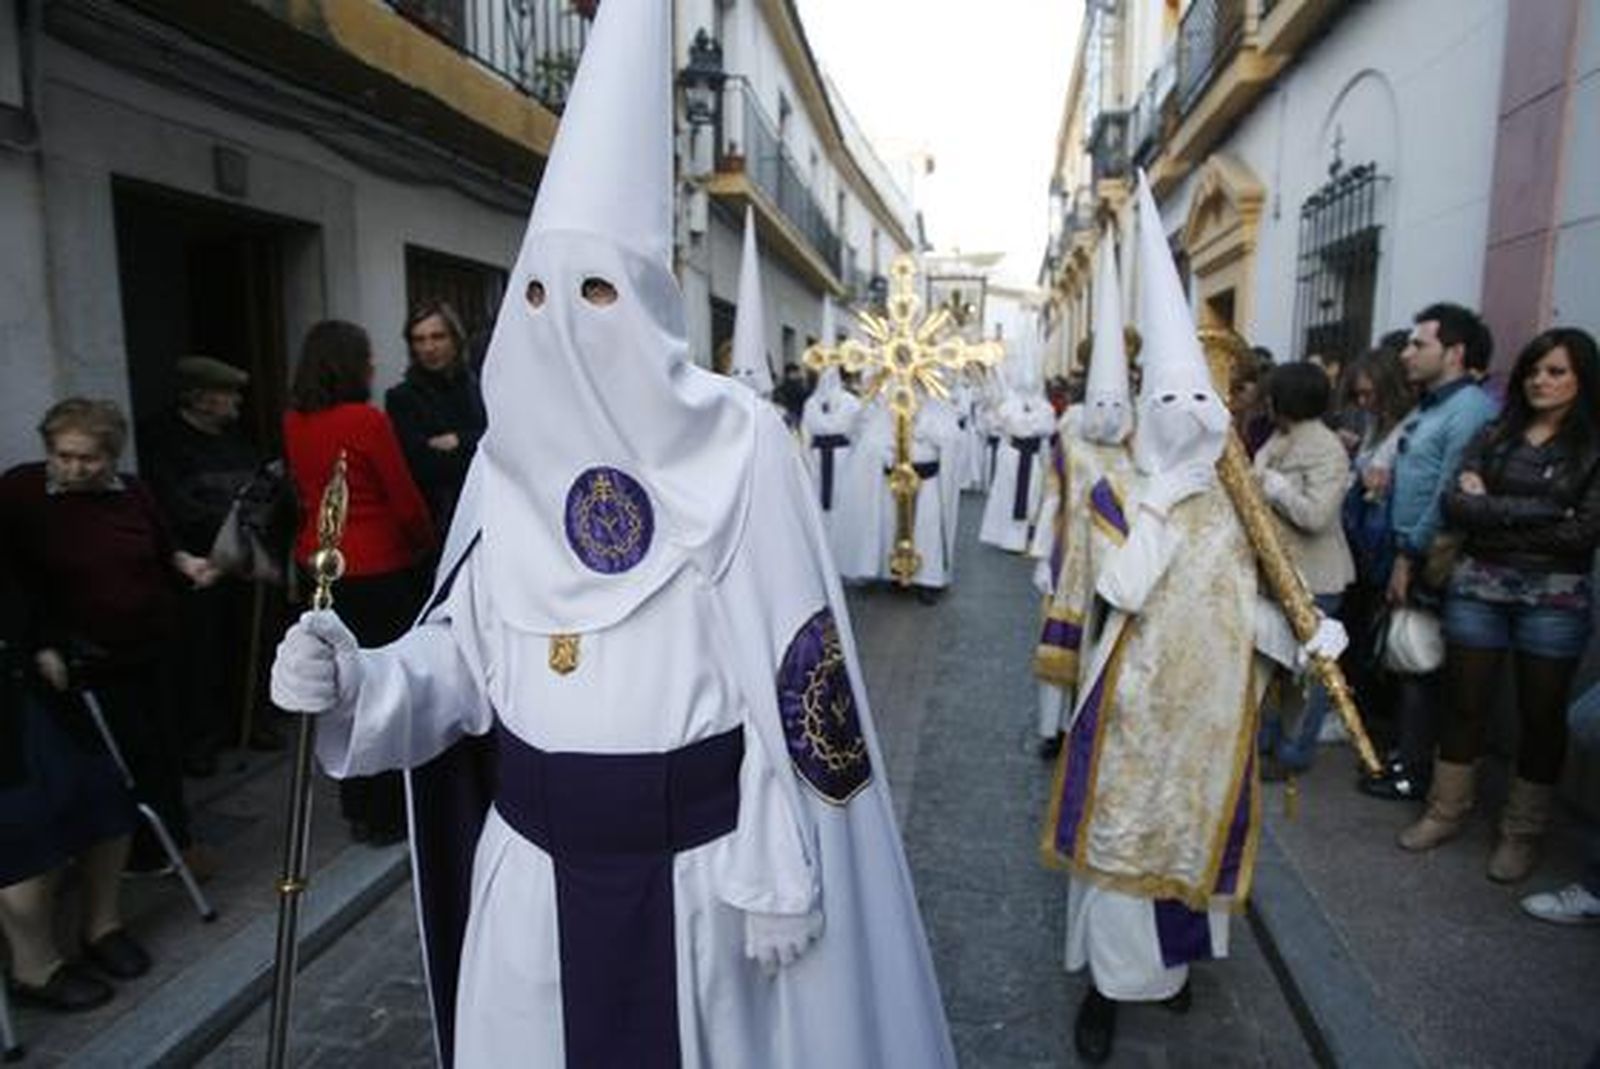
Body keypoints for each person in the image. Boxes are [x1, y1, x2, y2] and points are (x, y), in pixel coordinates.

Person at [269, 3, 954, 1064]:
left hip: (700, 883)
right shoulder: (508, 466)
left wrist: (780, 861)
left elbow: (795, 677)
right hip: (533, 882)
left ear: (652, 305)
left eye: (597, 290)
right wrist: (361, 681)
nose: (569, 322)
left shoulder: (738, 449)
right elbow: (467, 664)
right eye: (539, 293)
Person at [1044, 180, 1346, 1066]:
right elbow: (1124, 590)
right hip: (1134, 703)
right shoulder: (1117, 491)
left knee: (1195, 836)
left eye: (1201, 403)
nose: (1187, 417)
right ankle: (1105, 989)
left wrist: (1305, 639)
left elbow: (1247, 604)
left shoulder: (1238, 504)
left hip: (1214, 708)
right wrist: (1163, 506)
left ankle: (1174, 976)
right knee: (1122, 846)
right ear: (1146, 406)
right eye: (1168, 401)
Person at [1398, 328, 1600, 883]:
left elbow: (1583, 532)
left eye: (1556, 371)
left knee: (1540, 716)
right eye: (1534, 369)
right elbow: (1455, 504)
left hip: (1555, 595)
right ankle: (1445, 811)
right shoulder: (1495, 433)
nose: (1541, 380)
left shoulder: (1591, 445)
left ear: (1581, 377)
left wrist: (1495, 508)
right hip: (1479, 585)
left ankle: (1521, 833)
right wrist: (1543, 511)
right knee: (1464, 704)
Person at [0, 399, 212, 879]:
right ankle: (141, 852)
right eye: (63, 456)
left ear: (112, 456)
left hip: (152, 642)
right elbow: (11, 582)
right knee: (123, 757)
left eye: (88, 458)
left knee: (162, 747)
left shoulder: (132, 491)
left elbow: (164, 548)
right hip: (83, 656)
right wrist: (39, 643)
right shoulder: (20, 493)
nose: (74, 468)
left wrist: (188, 563)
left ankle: (170, 846)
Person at [283, 320, 435, 845]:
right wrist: (425, 546)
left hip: (324, 564)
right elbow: (403, 497)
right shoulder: (366, 421)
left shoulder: (294, 421)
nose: (373, 365)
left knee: (343, 692)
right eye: (367, 356)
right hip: (379, 568)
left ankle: (357, 805)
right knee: (381, 688)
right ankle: (388, 808)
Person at [1360, 303, 1498, 801]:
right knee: (1406, 657)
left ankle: (1415, 771)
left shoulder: (1470, 410)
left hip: (1434, 558)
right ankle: (1405, 756)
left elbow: (1447, 493)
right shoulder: (1432, 404)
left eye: (1420, 344)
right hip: (1403, 549)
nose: (1407, 353)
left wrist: (1408, 556)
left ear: (1455, 353)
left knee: (1422, 663)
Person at [0, 548, 142, 1012]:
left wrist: (43, 644)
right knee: (26, 835)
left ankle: (101, 926)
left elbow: (25, 603)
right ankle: (33, 968)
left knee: (107, 800)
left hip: (27, 696)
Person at [140, 355, 271, 776]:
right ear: (200, 398)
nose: (235, 402)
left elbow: (261, 485)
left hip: (244, 557)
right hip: (196, 564)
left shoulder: (235, 438)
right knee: (201, 654)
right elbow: (177, 505)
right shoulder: (163, 441)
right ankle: (202, 739)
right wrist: (227, 532)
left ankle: (250, 722)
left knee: (246, 642)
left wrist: (252, 523)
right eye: (227, 393)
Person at [1031, 234, 1135, 760]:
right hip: (1070, 552)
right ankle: (1053, 729)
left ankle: (1093, 729)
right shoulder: (1070, 428)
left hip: (1121, 558)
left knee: (1106, 644)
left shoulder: (1143, 435)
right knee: (1066, 640)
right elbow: (1054, 491)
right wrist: (1040, 555)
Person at [1253, 362, 1356, 778]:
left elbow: (1316, 515)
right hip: (1278, 573)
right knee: (1275, 662)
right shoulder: (1280, 438)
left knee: (1312, 674)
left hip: (1317, 576)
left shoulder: (1326, 448)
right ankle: (1265, 741)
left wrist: (1276, 488)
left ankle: (1295, 753)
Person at [1338, 348, 1414, 747]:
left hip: (1385, 551)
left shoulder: (1408, 429)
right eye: (1359, 395)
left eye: (1369, 394)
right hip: (1364, 549)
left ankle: (1384, 732)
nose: (1364, 402)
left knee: (1386, 647)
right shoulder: (1374, 426)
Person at [386, 300, 488, 533]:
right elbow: (422, 466)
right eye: (419, 340)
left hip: (485, 510)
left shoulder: (480, 387)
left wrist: (459, 440)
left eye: (437, 337)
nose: (429, 347)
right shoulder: (402, 398)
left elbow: (501, 441)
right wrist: (475, 445)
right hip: (438, 521)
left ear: (455, 338)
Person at [980, 344, 1057, 553]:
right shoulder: (1009, 403)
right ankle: (1007, 538)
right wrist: (1029, 423)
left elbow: (1047, 427)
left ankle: (1025, 538)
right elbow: (1012, 426)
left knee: (1032, 495)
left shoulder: (1044, 406)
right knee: (1007, 496)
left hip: (1033, 458)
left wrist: (1027, 423)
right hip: (1013, 455)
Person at [801, 364, 865, 567]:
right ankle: (822, 553)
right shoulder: (811, 403)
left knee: (843, 500)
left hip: (843, 458)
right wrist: (806, 455)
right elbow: (806, 433)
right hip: (818, 458)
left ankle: (845, 553)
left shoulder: (851, 402)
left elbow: (859, 433)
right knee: (820, 503)